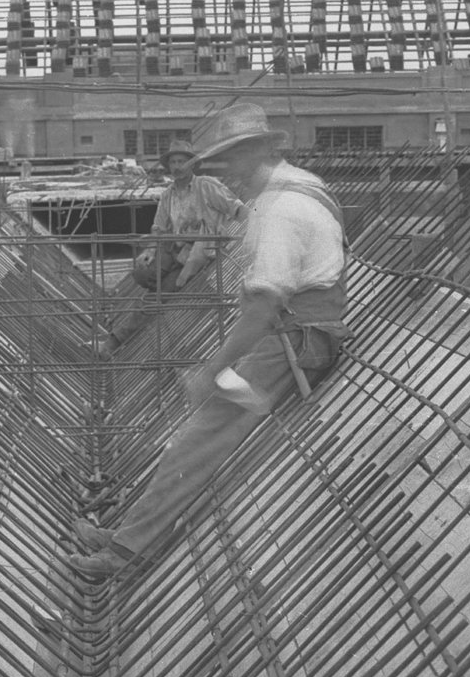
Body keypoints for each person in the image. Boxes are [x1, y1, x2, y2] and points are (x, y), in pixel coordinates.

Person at [69, 103, 347, 579]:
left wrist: (213, 370)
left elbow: (263, 305)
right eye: (219, 161)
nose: (226, 173)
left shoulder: (278, 210)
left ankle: (128, 552)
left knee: (197, 438)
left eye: (234, 159)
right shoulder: (304, 186)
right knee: (194, 432)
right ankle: (128, 532)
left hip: (291, 346)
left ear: (261, 150)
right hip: (300, 337)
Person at [108, 143, 243, 348]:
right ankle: (164, 294)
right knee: (141, 272)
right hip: (174, 248)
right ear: (169, 166)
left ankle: (116, 339)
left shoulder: (206, 185)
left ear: (191, 164)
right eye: (173, 162)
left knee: (157, 296)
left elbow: (237, 209)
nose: (177, 166)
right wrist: (150, 250)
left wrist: (256, 228)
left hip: (198, 253)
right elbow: (158, 227)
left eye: (182, 161)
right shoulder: (168, 195)